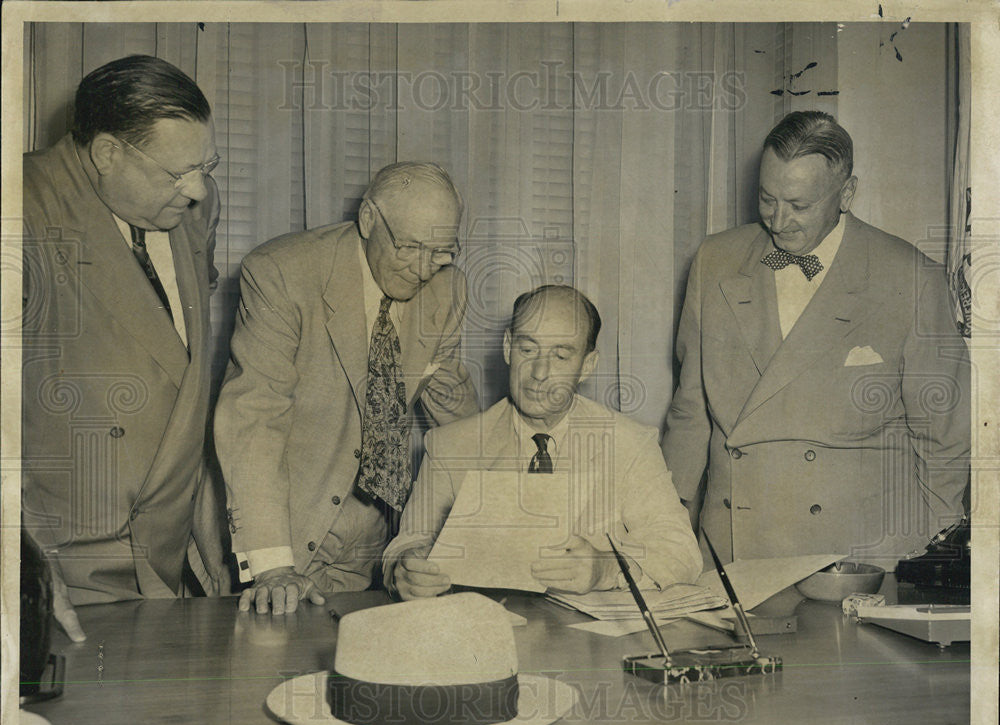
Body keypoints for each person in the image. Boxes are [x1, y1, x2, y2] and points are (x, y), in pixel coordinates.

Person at [663, 110, 970, 566]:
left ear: (847, 194)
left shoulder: (911, 277)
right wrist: (663, 533)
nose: (778, 220)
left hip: (856, 558)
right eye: (767, 199)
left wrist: (935, 554)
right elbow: (691, 416)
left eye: (799, 205)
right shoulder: (715, 261)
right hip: (734, 548)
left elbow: (946, 437)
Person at [21, 55, 226, 641]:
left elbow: (172, 363)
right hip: (60, 568)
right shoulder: (20, 206)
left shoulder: (193, 204)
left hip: (161, 563)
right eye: (177, 173)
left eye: (206, 165)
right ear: (108, 153)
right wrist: (22, 566)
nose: (197, 190)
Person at [215, 162, 479, 615]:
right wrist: (273, 564)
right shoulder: (283, 271)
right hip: (280, 526)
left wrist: (504, 510)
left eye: (440, 251)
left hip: (373, 539)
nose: (422, 269)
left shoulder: (447, 288)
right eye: (410, 247)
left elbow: (455, 416)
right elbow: (254, 418)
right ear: (369, 219)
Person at [384, 285, 703, 600]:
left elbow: (681, 552)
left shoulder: (629, 444)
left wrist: (605, 569)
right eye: (527, 349)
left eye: (561, 356)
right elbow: (405, 546)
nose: (539, 373)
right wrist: (406, 570)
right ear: (508, 347)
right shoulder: (450, 445)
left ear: (587, 366)